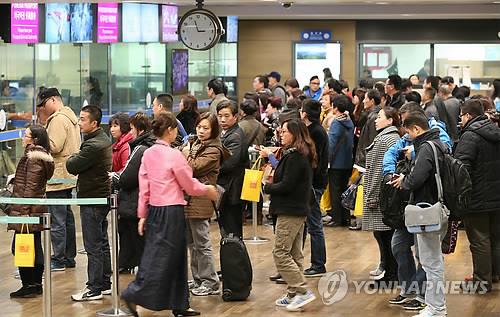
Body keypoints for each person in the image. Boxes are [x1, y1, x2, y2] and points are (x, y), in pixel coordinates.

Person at [121, 112, 218, 317]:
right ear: (170, 131)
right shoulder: (174, 155)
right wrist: (208, 190)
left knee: (172, 256)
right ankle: (134, 293)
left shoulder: (148, 153)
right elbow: (189, 185)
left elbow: (144, 186)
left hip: (155, 210)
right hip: (172, 211)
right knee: (164, 257)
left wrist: (142, 214)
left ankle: (180, 303)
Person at [390, 112, 449, 317]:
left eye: (409, 132)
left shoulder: (425, 148)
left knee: (431, 262)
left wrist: (403, 180)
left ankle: (436, 308)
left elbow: (416, 179)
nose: (408, 137)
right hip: (436, 208)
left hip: (427, 209)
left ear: (416, 128)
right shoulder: (439, 144)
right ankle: (435, 307)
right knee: (433, 261)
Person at [263, 119, 317, 311]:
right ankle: (294, 291)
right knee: (294, 253)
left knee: (281, 252)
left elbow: (287, 185)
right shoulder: (297, 155)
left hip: (290, 210)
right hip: (294, 209)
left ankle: (302, 291)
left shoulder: (296, 157)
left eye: (284, 131)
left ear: (294, 134)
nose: (281, 134)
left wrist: (266, 186)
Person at [67, 105, 112, 301]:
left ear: (94, 123)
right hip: (98, 196)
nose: (79, 122)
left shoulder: (93, 145)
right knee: (102, 243)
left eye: (83, 119)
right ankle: (104, 283)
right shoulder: (101, 139)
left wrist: (72, 156)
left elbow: (72, 165)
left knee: (93, 245)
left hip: (93, 199)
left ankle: (94, 287)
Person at [454, 99, 500, 292]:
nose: (460, 121)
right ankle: (494, 274)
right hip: (497, 195)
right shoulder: (496, 131)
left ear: (468, 115)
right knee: (496, 238)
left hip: (477, 197)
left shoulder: (470, 136)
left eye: (461, 117)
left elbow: (461, 167)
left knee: (479, 239)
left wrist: (460, 195)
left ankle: (481, 282)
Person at [35, 87, 80, 272]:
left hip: (57, 176)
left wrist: (38, 138)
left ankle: (59, 258)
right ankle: (69, 256)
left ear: (53, 100)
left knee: (57, 219)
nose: (43, 109)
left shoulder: (58, 119)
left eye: (44, 104)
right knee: (66, 217)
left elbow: (54, 146)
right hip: (67, 174)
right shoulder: (70, 116)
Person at [183, 112, 228, 296]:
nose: (201, 131)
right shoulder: (196, 144)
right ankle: (198, 279)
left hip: (201, 200)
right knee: (192, 244)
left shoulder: (214, 150)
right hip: (189, 199)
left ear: (213, 130)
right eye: (199, 127)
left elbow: (192, 168)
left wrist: (185, 154)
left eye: (205, 128)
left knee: (202, 243)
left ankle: (210, 281)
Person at [8, 125, 55, 298]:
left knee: (21, 247)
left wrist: (24, 212)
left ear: (34, 139)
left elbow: (31, 187)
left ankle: (30, 284)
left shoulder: (33, 158)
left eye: (26, 135)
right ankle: (34, 283)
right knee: (32, 245)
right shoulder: (38, 156)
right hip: (32, 208)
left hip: (27, 210)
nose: (22, 137)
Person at [362, 107, 402, 283]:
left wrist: (372, 196)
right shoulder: (389, 138)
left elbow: (379, 171)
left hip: (381, 196)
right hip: (384, 195)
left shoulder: (386, 140)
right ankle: (389, 271)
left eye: (379, 117)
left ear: (390, 120)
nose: (375, 120)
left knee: (385, 235)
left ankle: (391, 274)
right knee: (384, 235)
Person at [113, 113, 154, 274]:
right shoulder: (149, 147)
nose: (130, 133)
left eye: (132, 129)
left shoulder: (141, 149)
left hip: (135, 203)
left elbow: (126, 176)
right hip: (140, 203)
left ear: (140, 130)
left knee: (138, 244)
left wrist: (114, 177)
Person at [300, 99, 329, 277]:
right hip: (312, 182)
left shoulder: (315, 132)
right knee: (307, 223)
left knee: (314, 224)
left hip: (313, 183)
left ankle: (318, 264)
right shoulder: (313, 130)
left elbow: (314, 160)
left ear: (305, 113)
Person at [217, 100, 249, 239]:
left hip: (232, 190)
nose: (222, 119)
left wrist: (210, 168)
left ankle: (235, 259)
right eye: (219, 116)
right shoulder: (226, 133)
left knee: (232, 231)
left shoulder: (235, 136)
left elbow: (229, 163)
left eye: (226, 115)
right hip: (228, 189)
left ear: (235, 117)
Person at [327, 95, 354, 227]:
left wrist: (326, 160)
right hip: (347, 161)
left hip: (336, 162)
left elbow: (331, 144)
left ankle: (337, 218)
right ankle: (345, 217)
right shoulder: (349, 121)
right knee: (344, 190)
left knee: (335, 191)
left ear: (335, 108)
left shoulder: (336, 123)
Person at [355, 89, 382, 168]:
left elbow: (372, 141)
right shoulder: (370, 115)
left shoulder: (374, 117)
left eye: (365, 99)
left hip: (366, 162)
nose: (363, 101)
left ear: (372, 101)